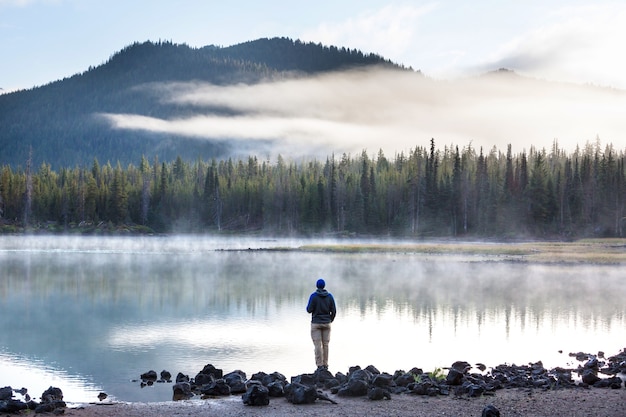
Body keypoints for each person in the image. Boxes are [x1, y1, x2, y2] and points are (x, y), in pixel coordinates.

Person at [306, 278, 336, 371]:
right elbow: (334, 310)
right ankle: (326, 364)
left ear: (317, 286)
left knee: (317, 345)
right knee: (326, 344)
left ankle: (319, 365)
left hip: (316, 323)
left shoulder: (313, 296)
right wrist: (330, 320)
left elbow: (309, 310)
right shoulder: (330, 296)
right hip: (327, 323)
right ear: (324, 286)